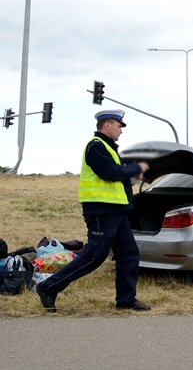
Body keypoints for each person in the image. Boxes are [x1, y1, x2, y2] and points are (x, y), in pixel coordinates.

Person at [35, 109, 150, 312]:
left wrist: (132, 176)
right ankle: (48, 287)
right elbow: (109, 173)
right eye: (119, 126)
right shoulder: (96, 146)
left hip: (116, 211)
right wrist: (136, 168)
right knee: (95, 256)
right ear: (108, 125)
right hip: (101, 212)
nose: (121, 131)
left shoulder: (108, 148)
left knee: (129, 254)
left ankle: (126, 300)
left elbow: (114, 177)